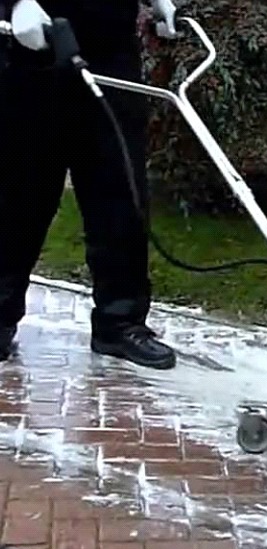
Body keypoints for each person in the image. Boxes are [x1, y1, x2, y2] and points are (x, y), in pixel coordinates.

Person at [0, 0, 178, 369]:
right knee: (19, 193)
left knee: (120, 191)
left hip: (111, 52)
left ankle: (120, 323)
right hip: (32, 46)